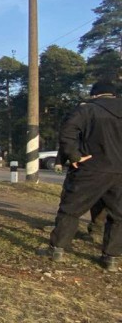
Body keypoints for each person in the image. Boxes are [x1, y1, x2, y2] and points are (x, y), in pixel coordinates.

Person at [38, 81, 122, 271]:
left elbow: (67, 132)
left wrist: (73, 155)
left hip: (91, 168)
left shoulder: (87, 110)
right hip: (120, 171)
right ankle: (111, 258)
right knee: (118, 216)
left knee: (71, 209)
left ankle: (57, 249)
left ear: (95, 95)